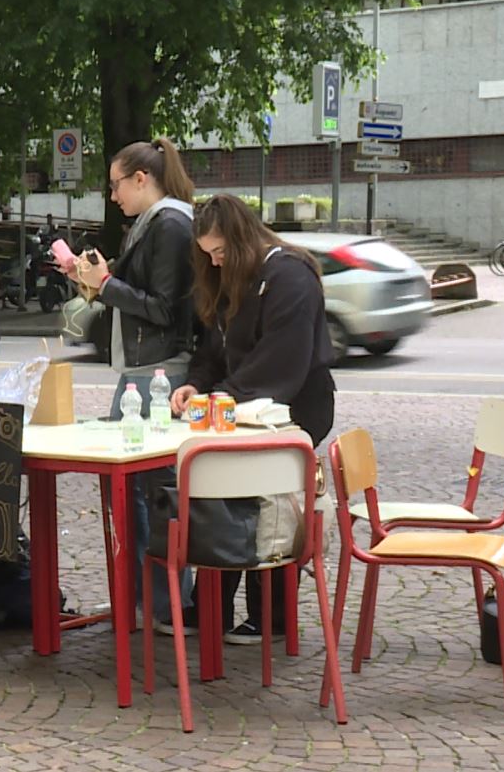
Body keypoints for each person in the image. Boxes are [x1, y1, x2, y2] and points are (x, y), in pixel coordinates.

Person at [168, 193, 335, 644]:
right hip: (244, 408)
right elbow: (214, 349)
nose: (216, 263)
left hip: (293, 410)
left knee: (269, 508)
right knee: (224, 502)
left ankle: (272, 616)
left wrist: (220, 397)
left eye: (220, 252)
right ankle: (215, 610)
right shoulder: (235, 278)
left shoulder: (290, 278)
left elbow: (280, 361)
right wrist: (197, 385)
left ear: (240, 241)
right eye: (208, 256)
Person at [67, 136, 197, 634]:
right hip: (146, 368)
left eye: (117, 185)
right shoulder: (158, 222)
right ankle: (154, 604)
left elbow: (162, 306)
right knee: (146, 491)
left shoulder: (168, 223)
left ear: (141, 179)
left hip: (157, 370)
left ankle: (164, 605)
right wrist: (98, 278)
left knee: (155, 492)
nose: (114, 195)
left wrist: (106, 285)